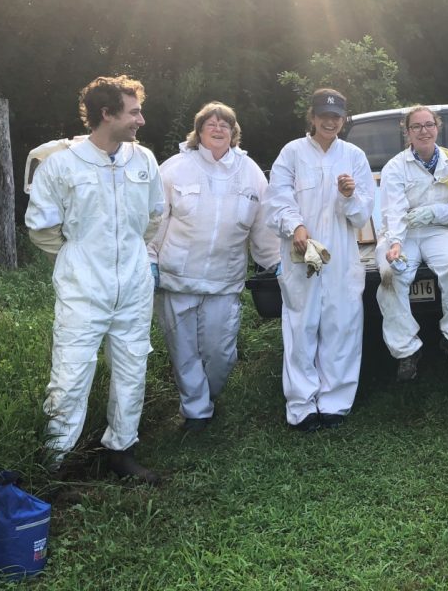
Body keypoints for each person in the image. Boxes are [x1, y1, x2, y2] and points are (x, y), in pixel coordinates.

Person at [25, 75, 164, 482]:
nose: (141, 119)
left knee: (132, 368)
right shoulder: (62, 165)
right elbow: (42, 228)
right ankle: (55, 463)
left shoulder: (144, 160)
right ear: (107, 113)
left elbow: (153, 218)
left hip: (134, 285)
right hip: (83, 289)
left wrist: (128, 256)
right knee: (69, 376)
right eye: (134, 111)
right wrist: (80, 257)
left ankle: (122, 451)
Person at [148, 102, 280, 431]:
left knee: (221, 353)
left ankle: (206, 395)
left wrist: (274, 262)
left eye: (225, 124)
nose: (218, 128)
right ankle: (197, 412)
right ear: (199, 131)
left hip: (224, 279)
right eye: (211, 123)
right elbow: (155, 219)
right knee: (184, 351)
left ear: (234, 132)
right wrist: (149, 259)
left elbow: (261, 226)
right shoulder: (175, 168)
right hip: (177, 277)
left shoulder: (249, 171)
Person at [263, 88, 374, 431]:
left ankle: (334, 403)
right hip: (301, 253)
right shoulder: (292, 153)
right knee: (302, 326)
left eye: (336, 116)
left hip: (340, 256)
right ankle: (301, 406)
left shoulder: (354, 155)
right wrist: (295, 225)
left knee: (341, 326)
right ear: (311, 117)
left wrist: (349, 196)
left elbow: (365, 214)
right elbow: (277, 197)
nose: (330, 121)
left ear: (343, 119)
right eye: (323, 115)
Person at [376, 106, 448, 381]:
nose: (423, 131)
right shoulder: (395, 167)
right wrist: (394, 243)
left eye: (428, 125)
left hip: (440, 231)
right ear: (407, 132)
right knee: (389, 276)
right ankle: (407, 350)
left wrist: (440, 212)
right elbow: (392, 210)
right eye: (416, 126)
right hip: (402, 233)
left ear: (437, 127)